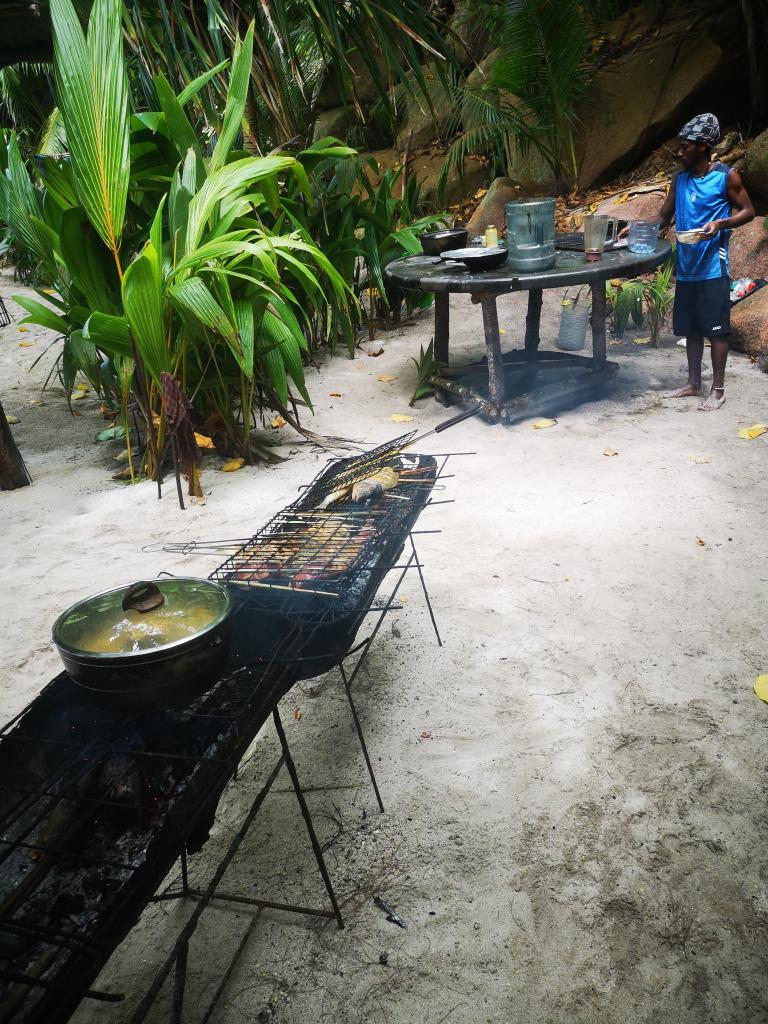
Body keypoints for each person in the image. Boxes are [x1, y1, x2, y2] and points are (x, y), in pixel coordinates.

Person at [625, 113, 755, 410]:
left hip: (712, 268)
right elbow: (662, 216)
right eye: (679, 146)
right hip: (687, 268)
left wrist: (720, 225)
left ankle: (718, 390)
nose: (679, 152)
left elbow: (747, 211)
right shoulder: (680, 179)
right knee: (692, 328)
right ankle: (694, 384)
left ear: (703, 147)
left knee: (717, 330)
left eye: (685, 147)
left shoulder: (725, 177)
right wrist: (637, 227)